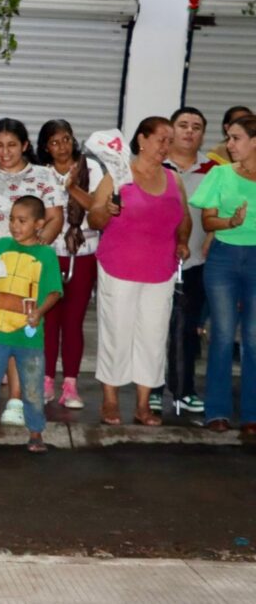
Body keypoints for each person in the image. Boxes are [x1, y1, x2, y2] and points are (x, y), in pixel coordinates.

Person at [0, 119, 63, 427]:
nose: (4, 152)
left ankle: (16, 400)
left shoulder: (43, 177)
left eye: (12, 145)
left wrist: (36, 250)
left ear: (25, 146)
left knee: (17, 331)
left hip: (25, 271)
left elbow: (55, 217)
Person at [89, 116, 191, 427]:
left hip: (160, 271)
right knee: (117, 333)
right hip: (119, 267)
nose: (166, 146)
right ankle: (110, 400)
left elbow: (183, 218)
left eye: (169, 140)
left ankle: (144, 405)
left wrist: (183, 241)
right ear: (142, 140)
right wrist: (106, 211)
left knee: (153, 337)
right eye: (161, 138)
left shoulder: (175, 179)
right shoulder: (118, 175)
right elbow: (94, 218)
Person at [0, 196, 63, 453]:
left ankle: (35, 433)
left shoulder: (46, 255)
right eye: (12, 219)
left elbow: (54, 291)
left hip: (28, 336)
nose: (14, 226)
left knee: (32, 387)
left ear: (39, 224)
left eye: (22, 221)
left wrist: (40, 312)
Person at [190, 114, 256, 434]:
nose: (228, 144)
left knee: (254, 340)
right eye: (228, 137)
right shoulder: (220, 174)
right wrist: (230, 223)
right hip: (223, 260)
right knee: (222, 335)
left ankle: (251, 414)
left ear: (255, 142)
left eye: (236, 138)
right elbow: (207, 221)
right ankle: (216, 411)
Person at [152, 107, 215, 414]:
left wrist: (212, 237)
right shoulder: (153, 165)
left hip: (195, 263)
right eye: (183, 125)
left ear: (203, 134)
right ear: (172, 130)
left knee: (187, 329)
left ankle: (184, 389)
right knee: (154, 327)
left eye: (197, 127)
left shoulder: (215, 170)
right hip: (154, 262)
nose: (190, 131)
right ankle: (151, 388)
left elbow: (223, 211)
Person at [37, 119, 102, 410]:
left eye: (66, 139)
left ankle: (71, 385)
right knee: (50, 320)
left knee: (73, 322)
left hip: (84, 250)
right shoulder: (40, 173)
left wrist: (73, 187)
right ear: (46, 147)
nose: (61, 146)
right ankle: (47, 380)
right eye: (54, 142)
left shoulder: (92, 169)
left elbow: (98, 207)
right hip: (50, 251)